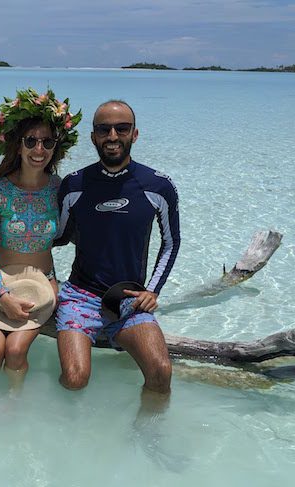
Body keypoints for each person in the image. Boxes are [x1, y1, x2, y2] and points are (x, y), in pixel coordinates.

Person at [53, 99, 180, 406]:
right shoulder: (74, 185)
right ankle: (59, 427)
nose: (112, 136)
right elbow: (58, 237)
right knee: (74, 379)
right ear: (93, 136)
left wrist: (153, 290)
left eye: (121, 128)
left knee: (161, 372)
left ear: (134, 134)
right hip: (79, 296)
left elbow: (171, 242)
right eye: (103, 129)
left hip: (130, 299)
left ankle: (147, 434)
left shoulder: (158, 186)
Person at [0, 88, 82, 392]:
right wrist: (3, 294)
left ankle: (12, 404)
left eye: (47, 142)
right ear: (17, 146)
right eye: (31, 141)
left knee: (17, 351)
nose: (39, 149)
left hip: (43, 283)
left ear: (55, 147)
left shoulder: (60, 189)